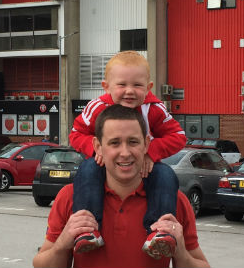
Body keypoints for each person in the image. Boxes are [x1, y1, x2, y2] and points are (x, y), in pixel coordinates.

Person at [33, 105, 209, 268]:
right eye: (114, 143)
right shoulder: (70, 197)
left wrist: (181, 253)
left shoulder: (174, 201)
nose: (125, 153)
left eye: (133, 142)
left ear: (146, 144)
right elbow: (41, 264)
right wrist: (62, 244)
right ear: (98, 147)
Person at [68, 51, 186, 258]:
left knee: (166, 175)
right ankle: (87, 229)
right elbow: (76, 133)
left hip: (144, 163)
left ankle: (159, 232)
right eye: (122, 85)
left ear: (149, 87)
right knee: (87, 170)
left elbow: (178, 135)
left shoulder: (155, 108)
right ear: (106, 87)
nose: (129, 91)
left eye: (137, 85)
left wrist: (151, 153)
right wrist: (98, 150)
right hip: (102, 162)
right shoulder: (96, 107)